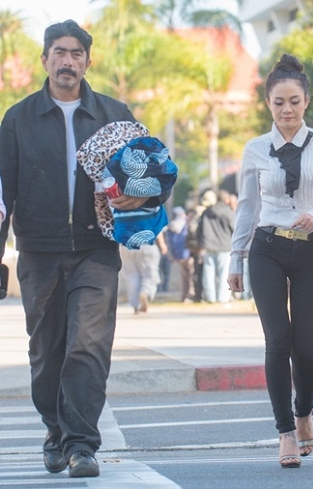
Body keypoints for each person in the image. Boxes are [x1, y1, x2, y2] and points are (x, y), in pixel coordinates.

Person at [0, 20, 169, 478]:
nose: (67, 61)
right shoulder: (18, 119)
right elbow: (3, 193)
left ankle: (80, 445)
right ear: (45, 59)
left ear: (88, 62)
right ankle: (55, 430)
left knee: (88, 346)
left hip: (96, 249)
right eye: (59, 52)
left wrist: (145, 195)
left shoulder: (115, 114)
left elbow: (155, 171)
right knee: (46, 352)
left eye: (76, 53)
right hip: (38, 250)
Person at [227, 54, 313, 469]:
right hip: (268, 248)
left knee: (305, 347)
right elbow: (247, 205)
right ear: (268, 103)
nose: (287, 110)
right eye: (279, 102)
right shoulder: (255, 149)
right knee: (278, 341)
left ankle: (304, 412)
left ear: (306, 101)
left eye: (294, 101)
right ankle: (285, 433)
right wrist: (236, 258)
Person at [197, 189, 235, 304]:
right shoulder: (228, 211)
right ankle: (223, 297)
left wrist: (201, 243)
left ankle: (210, 297)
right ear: (226, 199)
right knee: (224, 273)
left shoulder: (207, 212)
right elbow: (234, 228)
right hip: (225, 246)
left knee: (208, 272)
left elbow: (199, 229)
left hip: (209, 245)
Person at [120, 234, 167, 313]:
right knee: (149, 274)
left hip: (127, 246)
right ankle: (145, 292)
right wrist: (162, 244)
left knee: (132, 275)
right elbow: (158, 229)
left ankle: (135, 304)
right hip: (147, 244)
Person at [165, 206, 196, 302]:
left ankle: (184, 295)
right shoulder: (186, 224)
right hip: (188, 252)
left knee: (184, 277)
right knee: (191, 276)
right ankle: (190, 295)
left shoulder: (171, 226)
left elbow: (169, 242)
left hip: (178, 255)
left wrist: (172, 255)